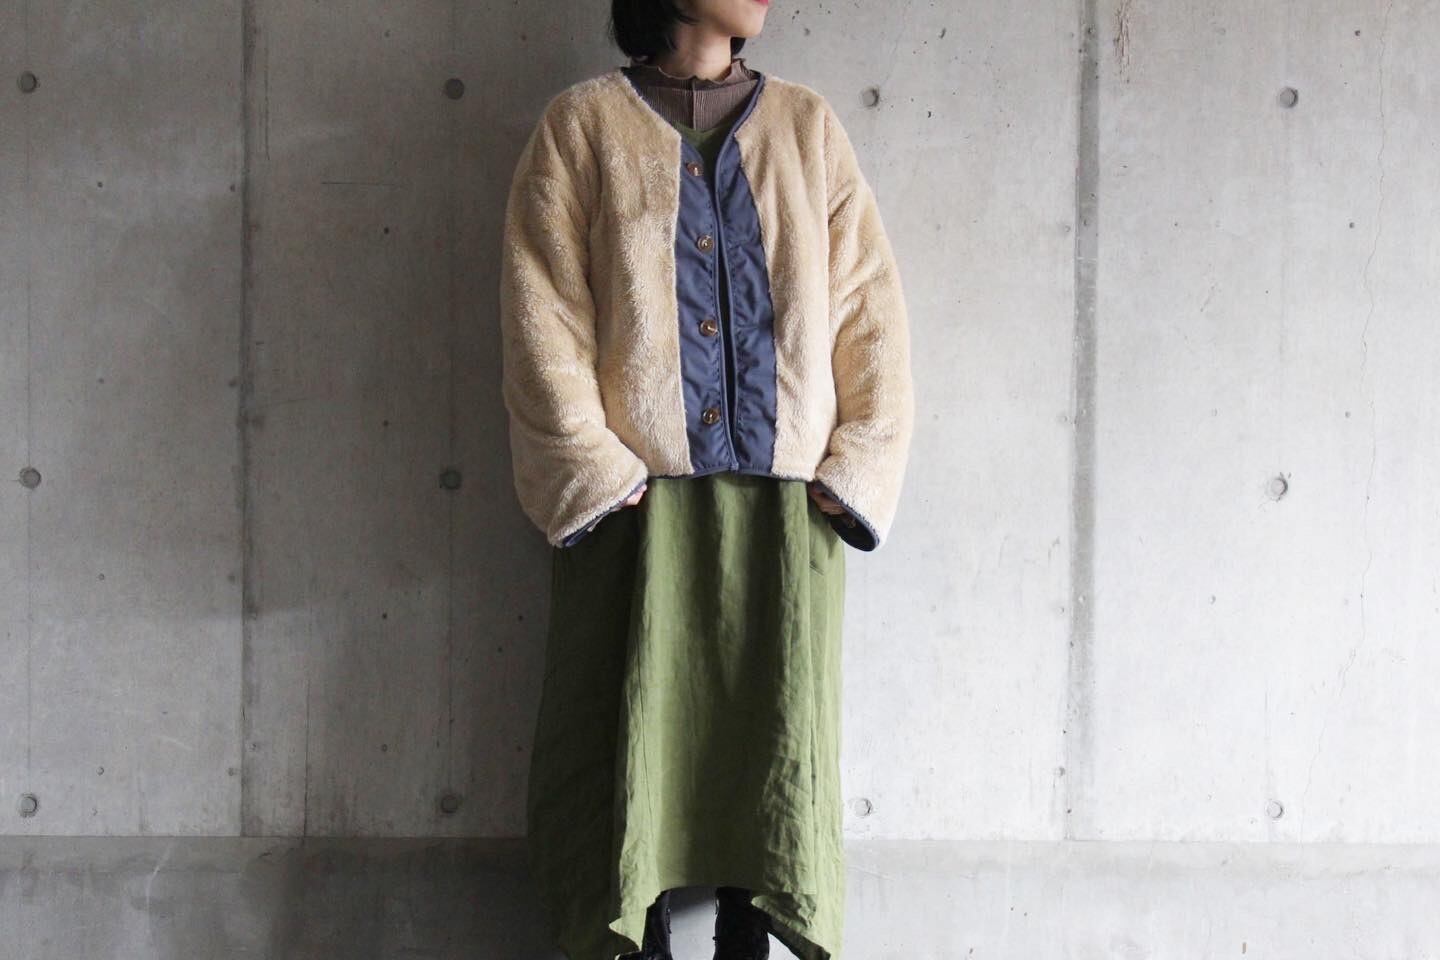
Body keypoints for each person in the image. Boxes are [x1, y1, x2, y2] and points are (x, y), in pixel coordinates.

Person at [497, 1, 914, 957]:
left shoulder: (807, 127)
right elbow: (540, 314)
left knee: (772, 755)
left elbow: (869, 310)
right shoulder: (582, 127)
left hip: (786, 517)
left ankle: (747, 938)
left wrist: (857, 462)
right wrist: (593, 470)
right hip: (633, 517)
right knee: (623, 749)